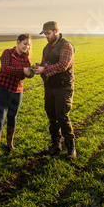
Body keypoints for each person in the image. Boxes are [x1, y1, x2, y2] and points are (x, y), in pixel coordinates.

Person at [33, 21, 77, 160]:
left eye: (48, 33)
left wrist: (44, 69)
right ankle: (55, 145)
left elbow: (63, 65)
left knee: (62, 117)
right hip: (49, 87)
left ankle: (71, 148)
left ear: (56, 31)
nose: (46, 36)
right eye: (45, 33)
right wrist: (38, 67)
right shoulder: (46, 48)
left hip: (63, 87)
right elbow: (46, 64)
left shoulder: (66, 46)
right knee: (52, 117)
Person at [0, 33, 34, 158]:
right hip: (2, 88)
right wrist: (22, 71)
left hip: (17, 91)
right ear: (18, 42)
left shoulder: (26, 59)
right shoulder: (7, 53)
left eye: (28, 45)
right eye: (25, 44)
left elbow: (26, 75)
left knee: (12, 117)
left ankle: (9, 144)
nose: (26, 47)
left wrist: (32, 72)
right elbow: (5, 68)